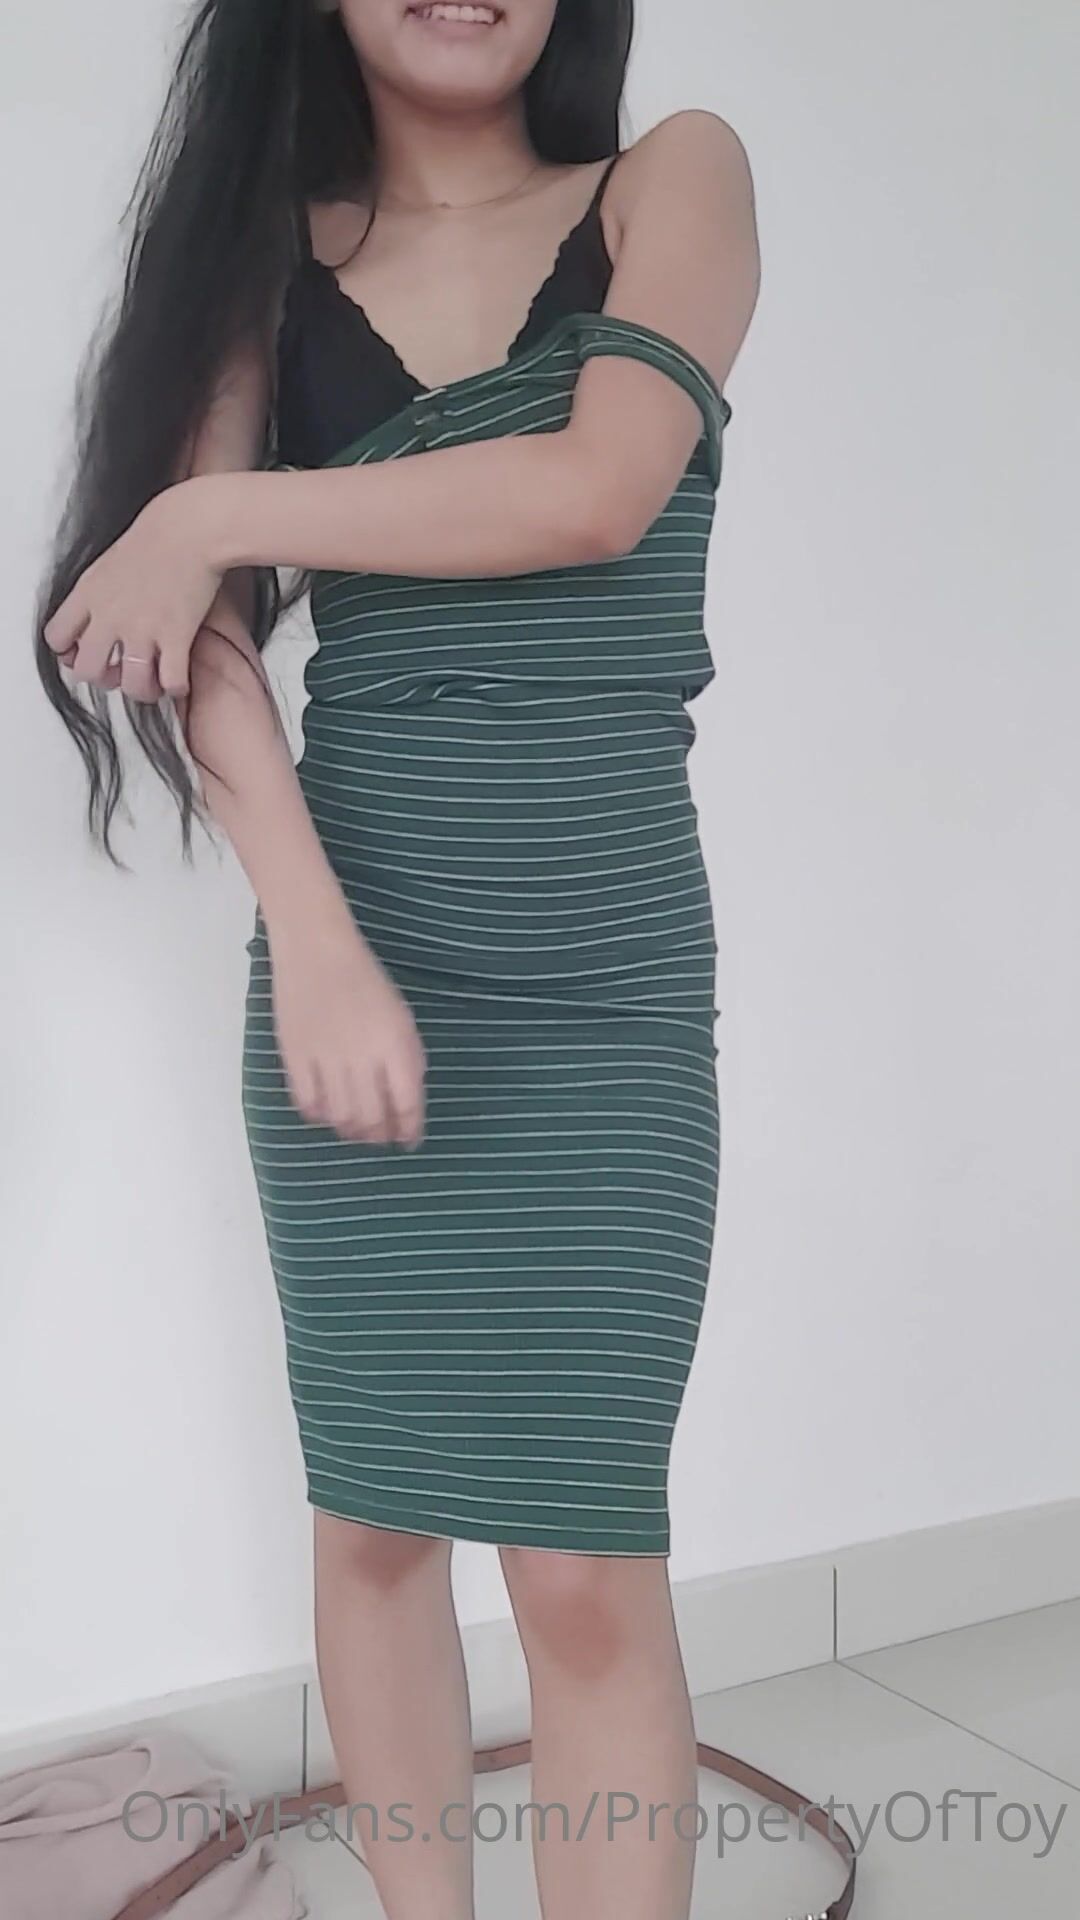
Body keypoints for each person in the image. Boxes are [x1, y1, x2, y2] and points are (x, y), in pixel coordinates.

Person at [35, 2, 760, 1915]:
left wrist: (203, 511)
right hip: (353, 944)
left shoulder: (672, 176)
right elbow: (198, 653)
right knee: (371, 1527)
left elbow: (594, 490)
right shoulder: (264, 266)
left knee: (585, 1566)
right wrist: (319, 945)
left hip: (605, 977)